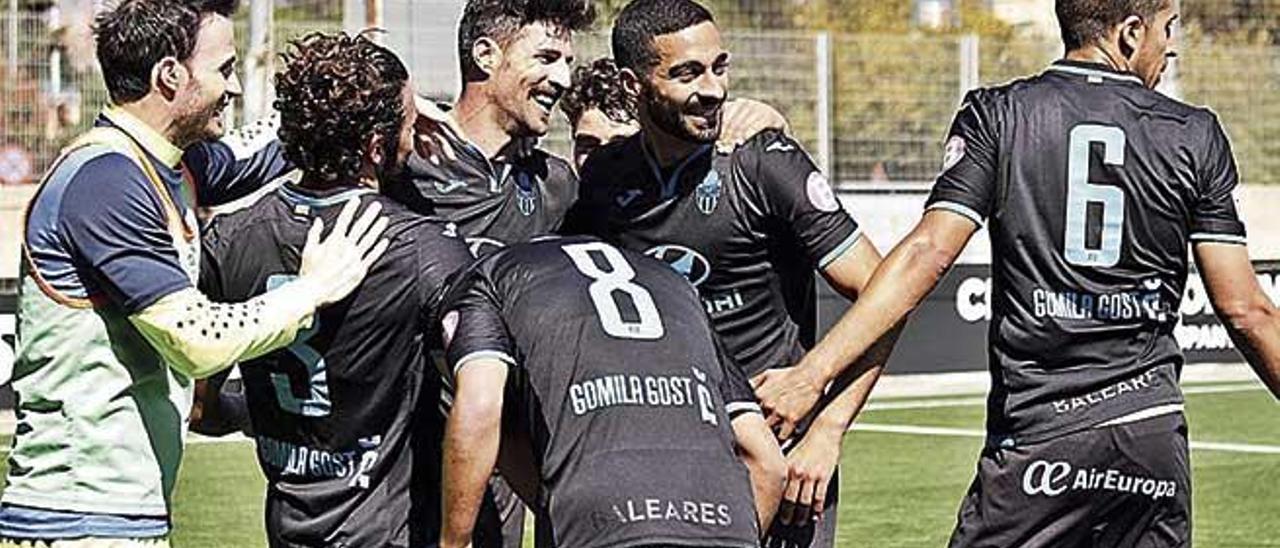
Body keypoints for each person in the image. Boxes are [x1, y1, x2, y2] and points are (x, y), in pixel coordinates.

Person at [751, 0, 1280, 545]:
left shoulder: (998, 114)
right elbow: (1246, 310)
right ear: (1129, 33)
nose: (1171, 46)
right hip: (1149, 435)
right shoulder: (1195, 134)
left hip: (1040, 442)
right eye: (1168, 30)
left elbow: (927, 253)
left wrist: (811, 375)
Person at [1, 1, 387, 545]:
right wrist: (312, 290)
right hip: (76, 519)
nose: (232, 89)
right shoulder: (106, 182)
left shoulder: (165, 164)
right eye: (224, 69)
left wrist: (363, 92)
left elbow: (256, 154)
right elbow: (198, 343)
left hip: (116, 516)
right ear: (170, 75)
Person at [567, 1, 895, 545]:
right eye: (687, 73)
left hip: (783, 460)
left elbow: (885, 291)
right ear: (634, 84)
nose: (715, 89)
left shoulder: (763, 160)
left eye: (721, 66)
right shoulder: (604, 179)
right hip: (663, 459)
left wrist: (827, 427)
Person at [194, 32, 480, 547]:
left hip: (287, 532)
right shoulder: (423, 249)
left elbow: (201, 411)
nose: (415, 142)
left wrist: (250, 413)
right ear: (375, 146)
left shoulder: (227, 239)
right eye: (411, 126)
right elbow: (481, 403)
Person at [437, 236, 787, 548]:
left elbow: (481, 407)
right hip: (724, 514)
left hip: (597, 516)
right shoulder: (676, 285)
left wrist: (454, 541)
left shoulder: (483, 279)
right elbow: (768, 463)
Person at [559, 57, 790, 171]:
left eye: (619, 143)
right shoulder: (570, 208)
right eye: (587, 145)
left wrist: (774, 124)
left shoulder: (694, 195)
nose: (602, 157)